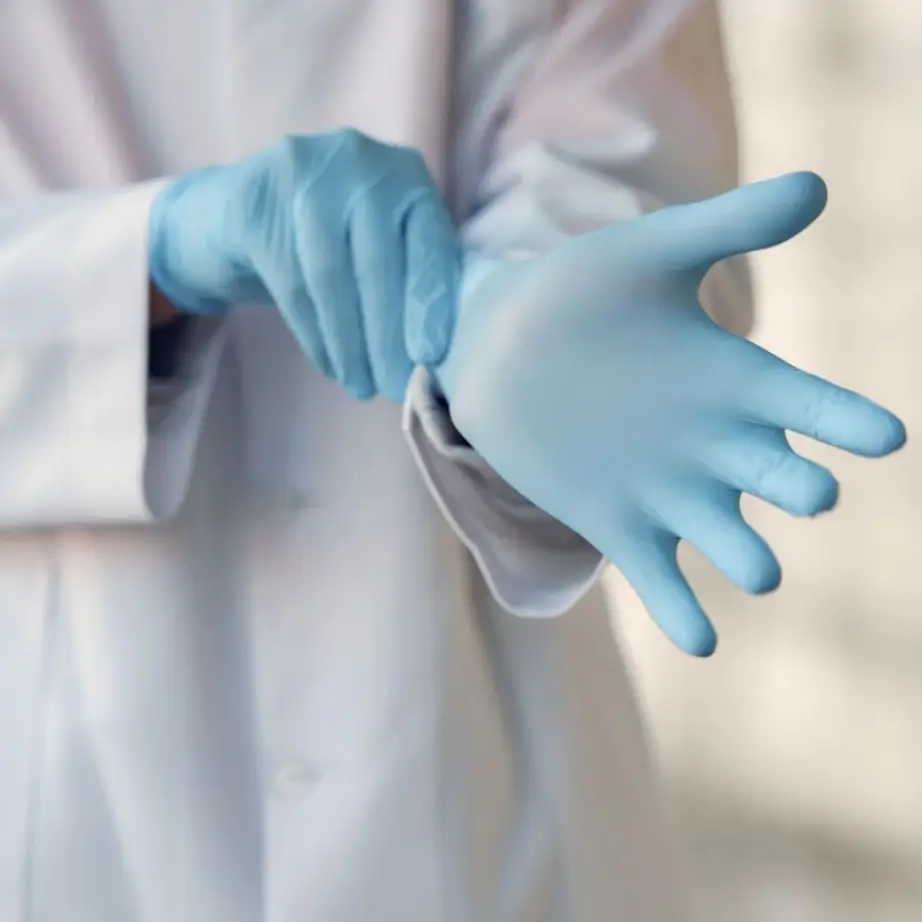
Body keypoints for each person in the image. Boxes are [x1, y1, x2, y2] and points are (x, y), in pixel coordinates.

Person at [0, 1, 905, 920]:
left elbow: (634, 180)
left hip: (488, 778)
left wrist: (538, 309)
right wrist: (139, 256)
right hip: (64, 779)